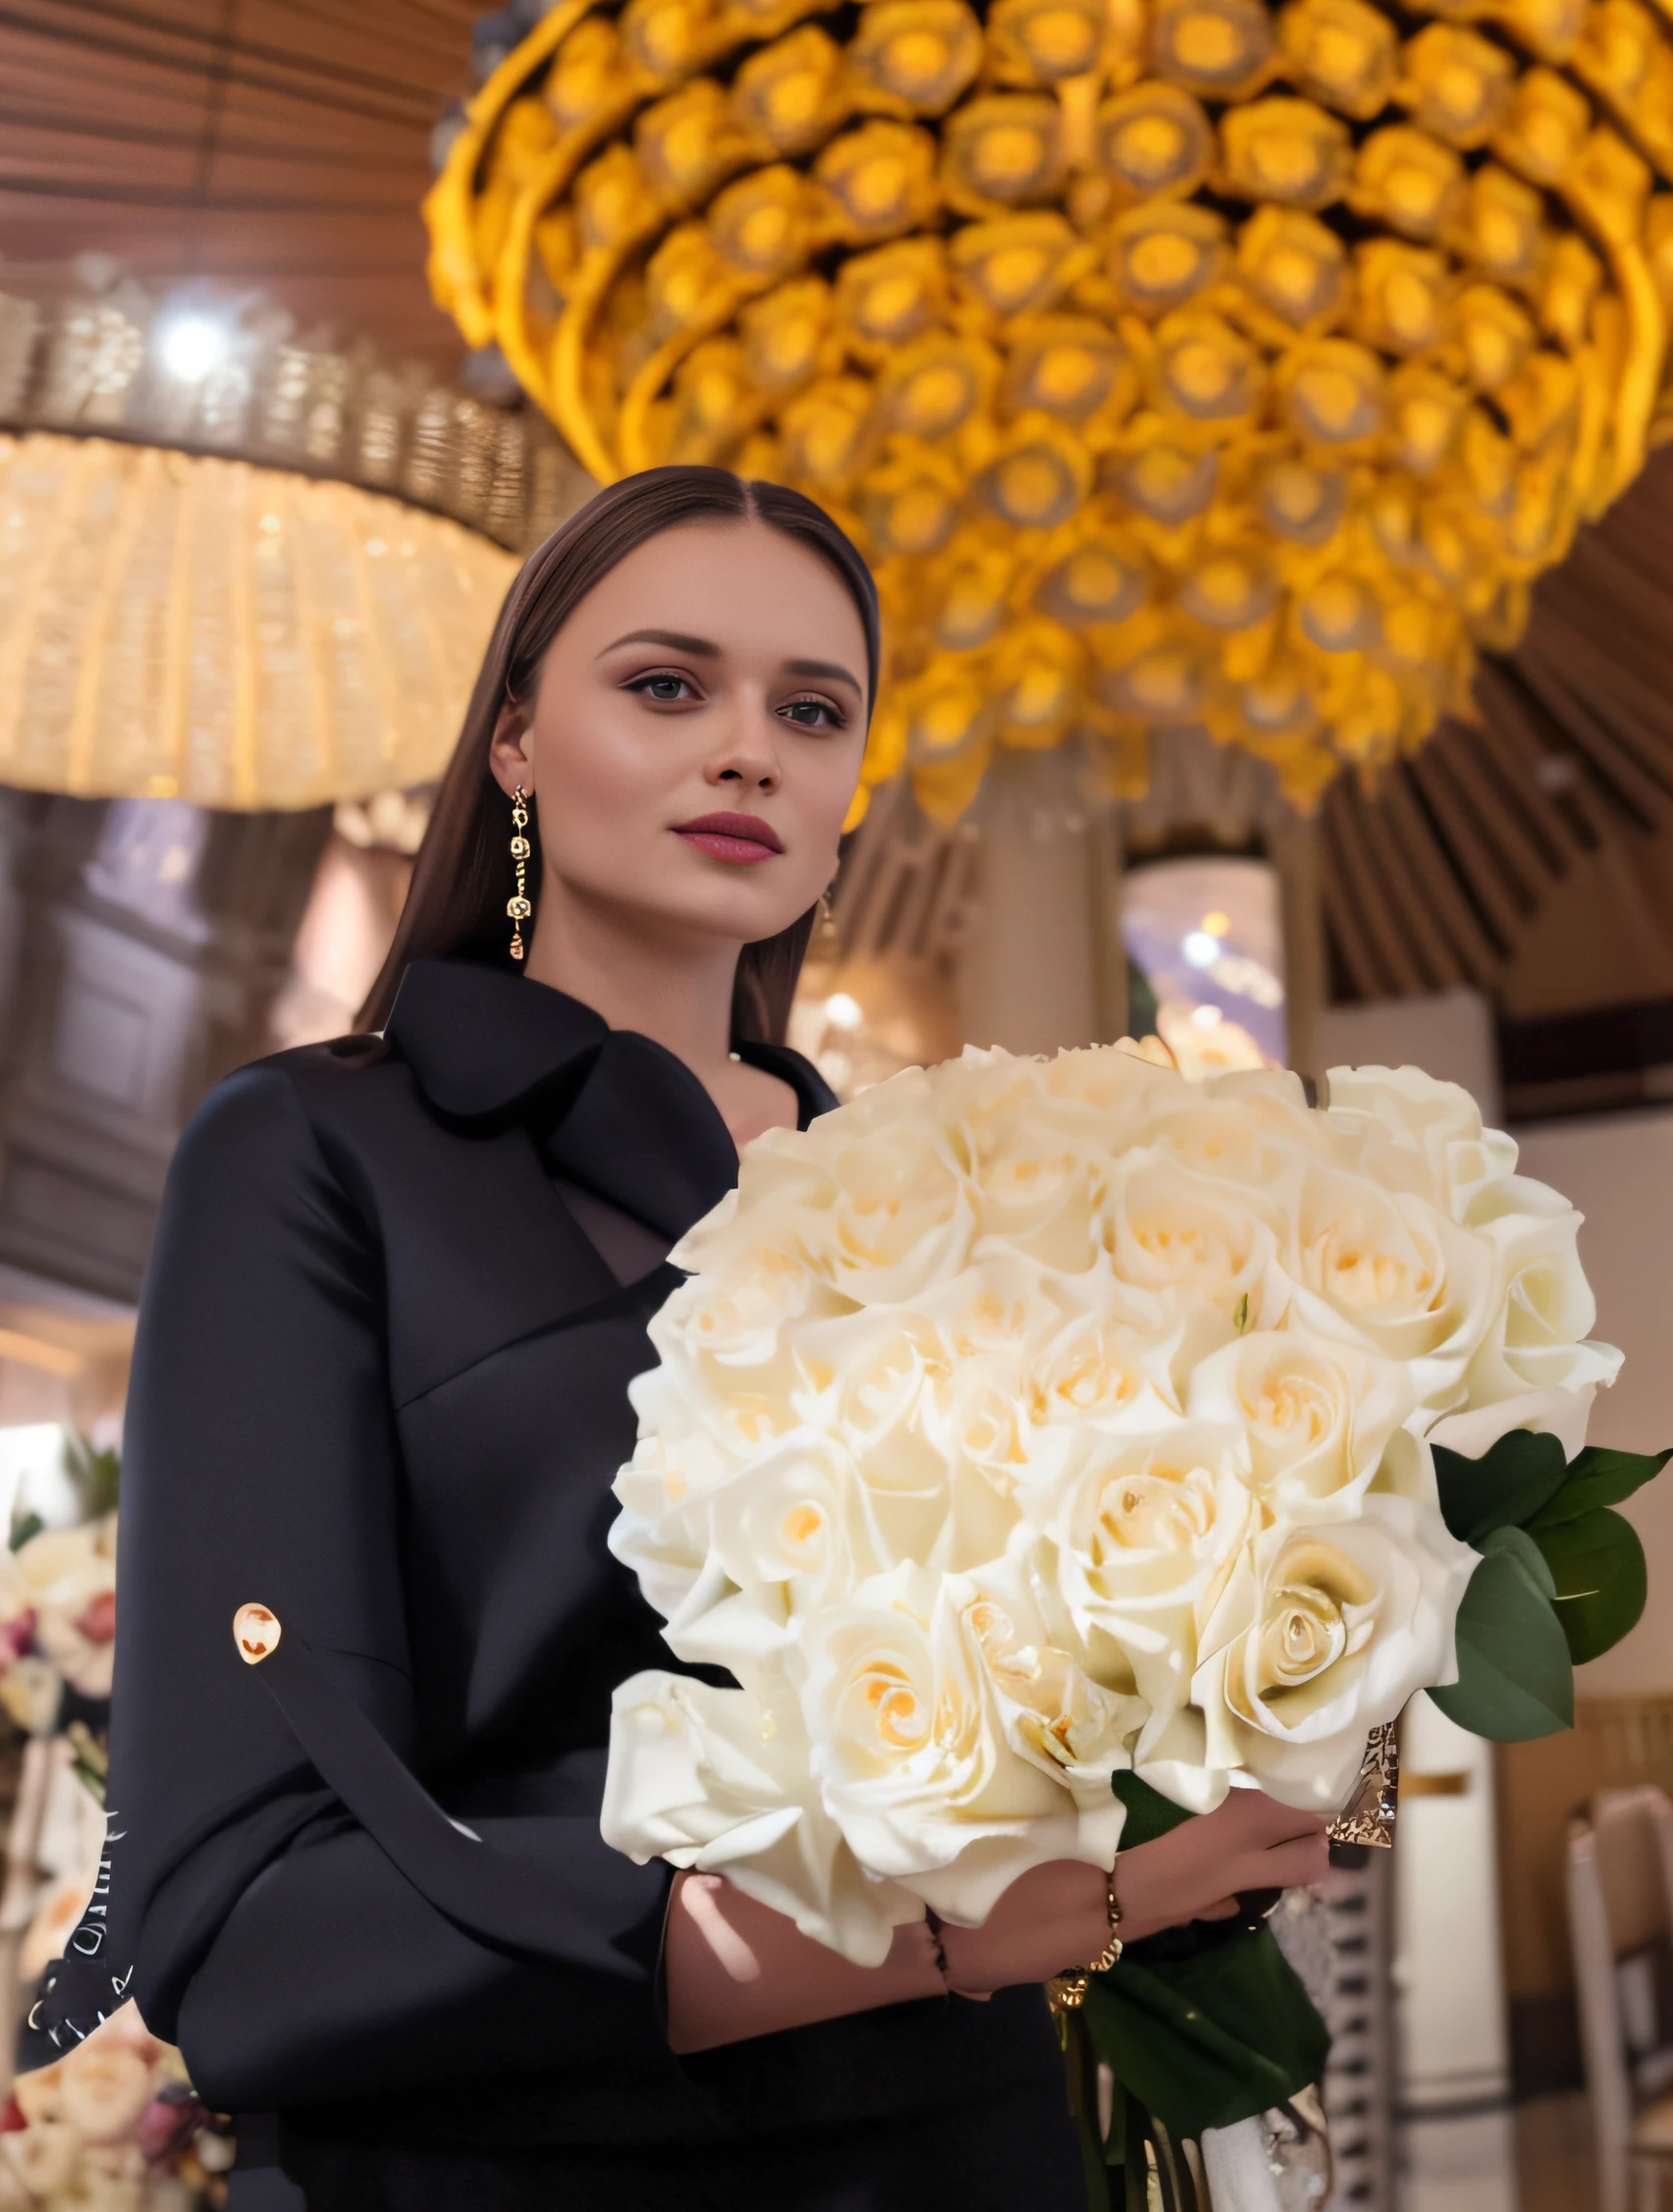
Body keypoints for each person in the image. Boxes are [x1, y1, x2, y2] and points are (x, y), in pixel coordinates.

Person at [88, 467, 1328, 2209]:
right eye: (668, 686)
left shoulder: (964, 1212)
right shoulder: (313, 1151)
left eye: (811, 712)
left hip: (968, 2153)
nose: (748, 749)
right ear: (513, 740)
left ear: (848, 796)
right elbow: (249, 1929)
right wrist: (935, 1928)